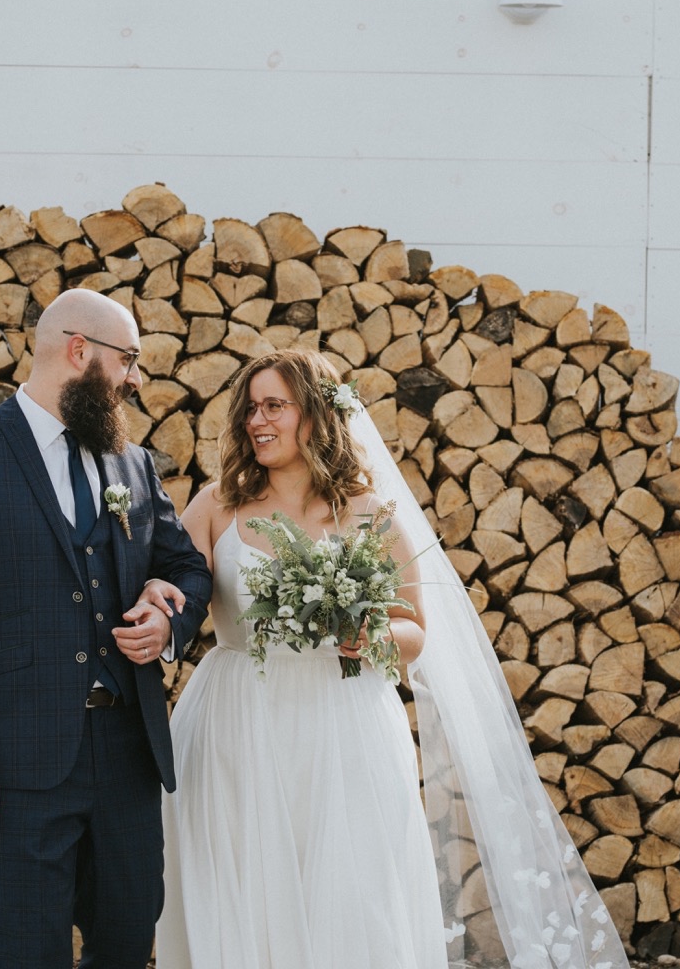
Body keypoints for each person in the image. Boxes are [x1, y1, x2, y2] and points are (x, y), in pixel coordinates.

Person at [150, 349, 631, 969]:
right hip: (236, 720)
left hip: (344, 720)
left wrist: (370, 632)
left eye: (275, 405)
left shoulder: (369, 513)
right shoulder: (218, 504)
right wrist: (156, 614)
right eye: (249, 406)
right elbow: (179, 592)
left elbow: (414, 628)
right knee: (239, 877)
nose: (256, 419)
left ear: (318, 416)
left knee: (352, 888)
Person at [0, 288, 212, 969]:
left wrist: (167, 618)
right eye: (128, 360)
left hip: (128, 751)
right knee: (31, 949)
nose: (137, 377)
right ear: (80, 352)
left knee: (128, 942)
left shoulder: (129, 462)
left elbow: (187, 568)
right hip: (20, 760)